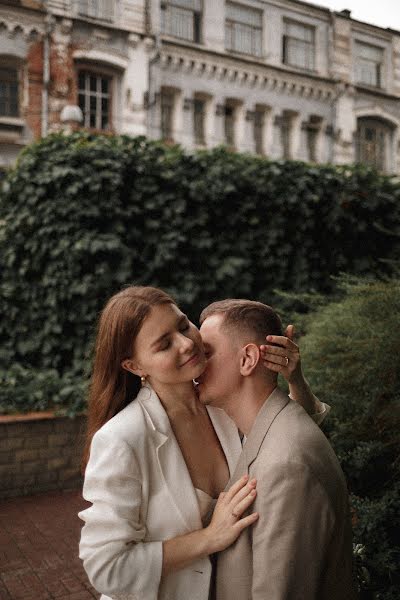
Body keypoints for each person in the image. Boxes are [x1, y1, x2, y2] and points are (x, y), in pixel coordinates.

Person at [79, 286, 328, 600]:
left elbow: (288, 442)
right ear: (135, 367)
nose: (186, 344)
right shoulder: (122, 440)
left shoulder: (220, 403)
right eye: (164, 344)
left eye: (183, 325)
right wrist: (209, 538)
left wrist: (294, 378)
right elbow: (106, 568)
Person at [197, 299, 357, 600]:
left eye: (206, 353)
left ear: (247, 360)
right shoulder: (262, 430)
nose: (195, 364)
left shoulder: (286, 467)